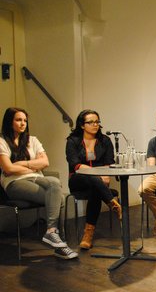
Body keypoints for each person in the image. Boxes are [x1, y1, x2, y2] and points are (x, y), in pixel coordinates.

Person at [0, 108, 78, 259]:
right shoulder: (2, 141)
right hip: (14, 183)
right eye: (18, 120)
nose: (23, 123)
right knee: (60, 198)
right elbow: (8, 169)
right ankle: (59, 243)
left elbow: (45, 162)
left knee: (54, 182)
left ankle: (52, 233)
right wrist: (33, 165)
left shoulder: (32, 140)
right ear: (10, 122)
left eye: (24, 120)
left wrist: (22, 163)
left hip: (37, 178)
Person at [66, 109, 122, 250]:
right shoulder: (73, 141)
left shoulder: (105, 141)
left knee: (95, 191)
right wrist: (95, 174)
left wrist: (105, 175)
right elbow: (75, 164)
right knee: (92, 178)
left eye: (97, 121)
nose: (95, 125)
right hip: (77, 180)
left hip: (99, 183)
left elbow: (109, 162)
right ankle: (113, 203)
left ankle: (88, 235)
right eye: (90, 122)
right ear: (82, 125)